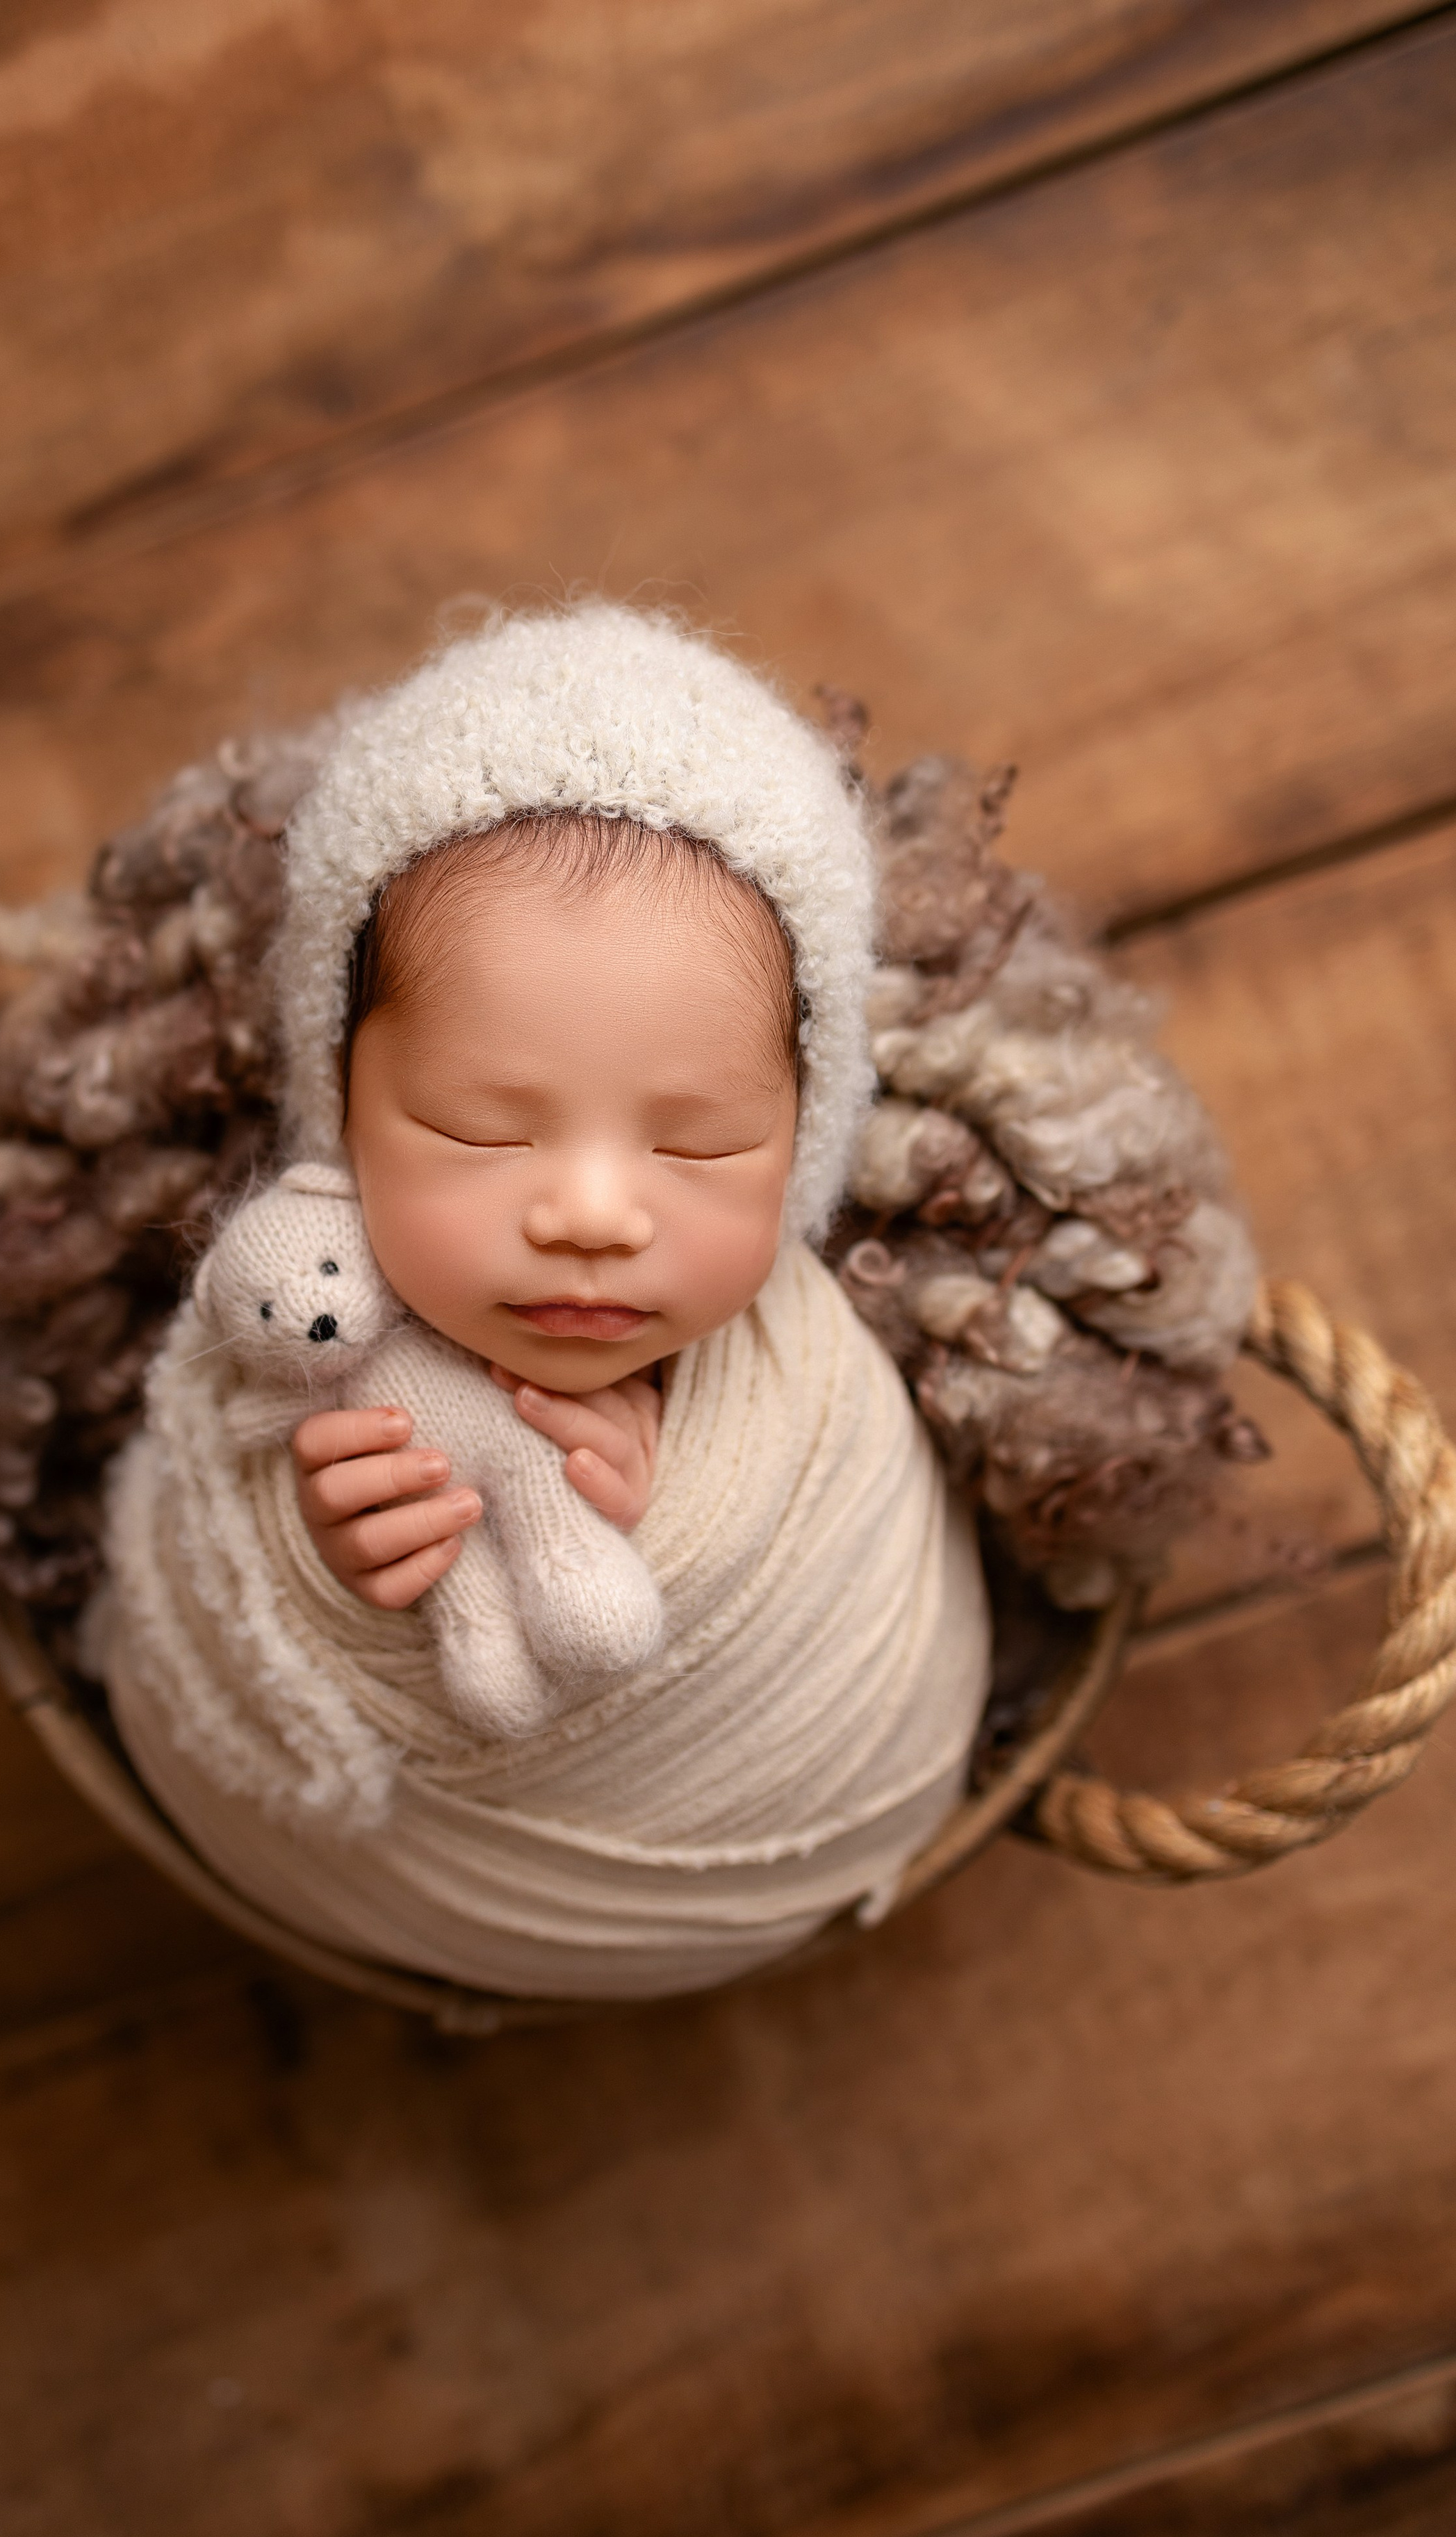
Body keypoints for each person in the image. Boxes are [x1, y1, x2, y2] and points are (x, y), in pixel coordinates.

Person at [99, 603, 992, 2000]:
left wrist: (668, 1480)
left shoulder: (817, 1385)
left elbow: (868, 1553)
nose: (586, 1214)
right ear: (338, 1108)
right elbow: (192, 1536)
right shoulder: (287, 1321)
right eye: (477, 1129)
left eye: (696, 1144)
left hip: (815, 1764)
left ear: (808, 1140)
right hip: (395, 1871)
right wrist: (318, 1549)